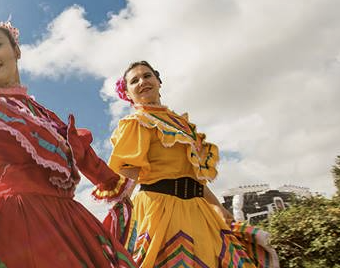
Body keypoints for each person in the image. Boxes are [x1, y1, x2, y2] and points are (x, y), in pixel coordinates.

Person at [0, 16, 136, 268]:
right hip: (22, 224)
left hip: (75, 223)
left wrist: (115, 183)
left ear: (16, 51)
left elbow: (86, 156)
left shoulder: (48, 119)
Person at [108, 60, 279, 268]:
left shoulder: (182, 126)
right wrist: (117, 214)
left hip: (198, 209)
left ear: (158, 81)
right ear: (128, 93)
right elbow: (126, 174)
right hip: (159, 210)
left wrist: (217, 207)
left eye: (147, 76)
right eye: (134, 80)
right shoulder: (136, 123)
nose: (142, 81)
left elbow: (194, 177)